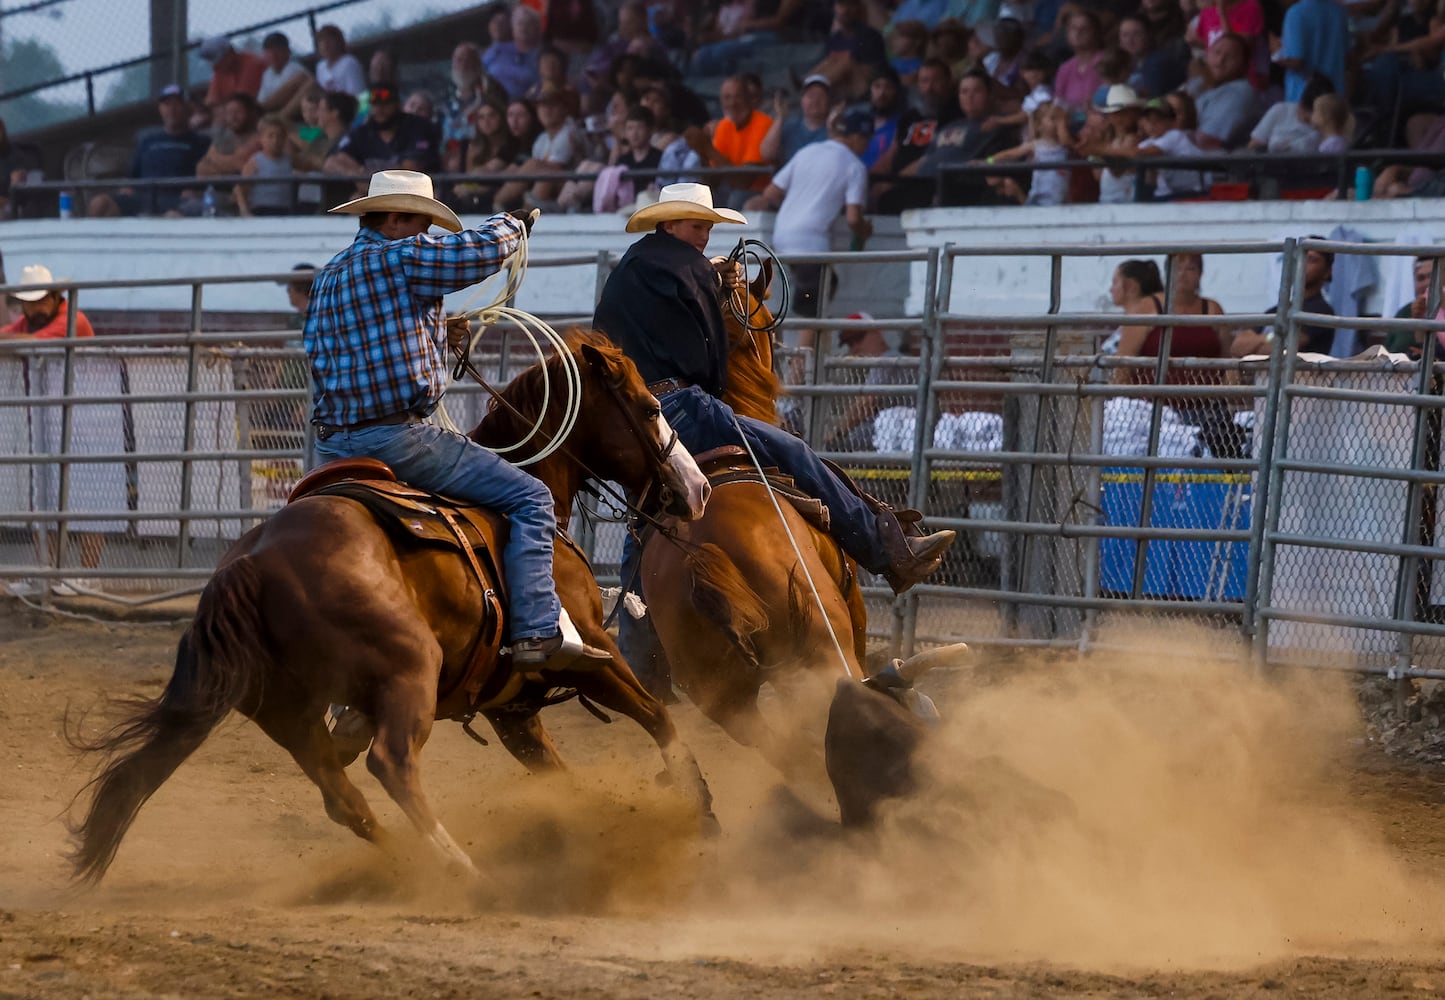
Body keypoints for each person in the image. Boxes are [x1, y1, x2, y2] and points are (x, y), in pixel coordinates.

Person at [592, 182, 956, 613]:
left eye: (708, 227)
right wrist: (713, 276)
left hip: (632, 421)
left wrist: (710, 273)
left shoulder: (635, 267)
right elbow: (704, 344)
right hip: (679, 408)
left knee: (646, 523)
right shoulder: (679, 266)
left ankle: (637, 655)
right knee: (794, 452)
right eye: (697, 225)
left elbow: (678, 286)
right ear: (669, 223)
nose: (704, 235)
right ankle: (886, 549)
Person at [304, 169, 600, 675]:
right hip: (399, 438)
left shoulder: (331, 274)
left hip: (334, 448)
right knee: (532, 497)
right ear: (395, 218)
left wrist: (437, 334)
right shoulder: (401, 258)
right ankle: (535, 627)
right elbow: (477, 254)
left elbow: (361, 347)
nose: (427, 236)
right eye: (422, 224)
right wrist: (515, 224)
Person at [2, 264, 105, 592]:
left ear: (56, 297)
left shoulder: (72, 319)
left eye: (38, 302)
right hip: (47, 420)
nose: (31, 309)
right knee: (43, 498)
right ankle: (48, 572)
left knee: (89, 499)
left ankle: (88, 576)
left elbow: (27, 341)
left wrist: (14, 338)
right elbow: (11, 337)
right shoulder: (35, 320)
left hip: (88, 420)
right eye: (27, 303)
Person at [747, 108, 875, 342]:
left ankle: (791, 360)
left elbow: (771, 192)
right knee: (814, 308)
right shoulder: (854, 165)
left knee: (791, 301)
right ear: (858, 138)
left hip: (782, 236)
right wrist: (865, 230)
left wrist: (797, 207)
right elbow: (854, 218)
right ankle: (800, 368)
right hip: (812, 243)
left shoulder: (807, 152)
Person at [86, 84, 210, 218]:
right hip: (142, 198)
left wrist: (197, 191)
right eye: (167, 104)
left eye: (177, 104)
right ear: (160, 109)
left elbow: (209, 176)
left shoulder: (200, 142)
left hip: (177, 200)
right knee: (99, 204)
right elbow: (133, 177)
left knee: (172, 217)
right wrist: (127, 188)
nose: (172, 109)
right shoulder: (148, 140)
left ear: (187, 108)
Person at [326, 83, 442, 178]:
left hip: (416, 195)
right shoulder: (363, 132)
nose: (379, 110)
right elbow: (332, 162)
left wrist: (368, 177)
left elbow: (410, 170)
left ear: (398, 105)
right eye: (375, 104)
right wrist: (358, 174)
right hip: (374, 194)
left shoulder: (417, 127)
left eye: (385, 104)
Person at [1191, 33, 1260, 151]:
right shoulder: (1197, 83)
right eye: (1217, 52)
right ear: (1207, 55)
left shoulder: (1241, 92)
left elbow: (1206, 140)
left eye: (1230, 56)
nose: (1220, 60)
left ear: (1245, 65)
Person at [1383, 256, 1445, 359]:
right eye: (1421, 278)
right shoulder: (1404, 313)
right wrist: (1418, 319)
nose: (1427, 283)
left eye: (1432, 276)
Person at [199, 36, 267, 114]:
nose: (214, 67)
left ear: (230, 53)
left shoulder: (251, 64)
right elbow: (211, 103)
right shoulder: (220, 71)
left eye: (218, 60)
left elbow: (242, 104)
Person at [257, 32, 311, 117]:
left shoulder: (294, 68)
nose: (273, 55)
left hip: (298, 114)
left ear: (288, 51)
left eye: (278, 50)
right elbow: (262, 100)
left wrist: (261, 108)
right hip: (273, 113)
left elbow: (284, 99)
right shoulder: (267, 74)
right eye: (269, 51)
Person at [313, 24, 366, 97]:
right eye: (321, 41)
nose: (325, 44)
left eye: (330, 39)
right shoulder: (320, 67)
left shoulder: (349, 63)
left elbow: (360, 96)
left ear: (339, 42)